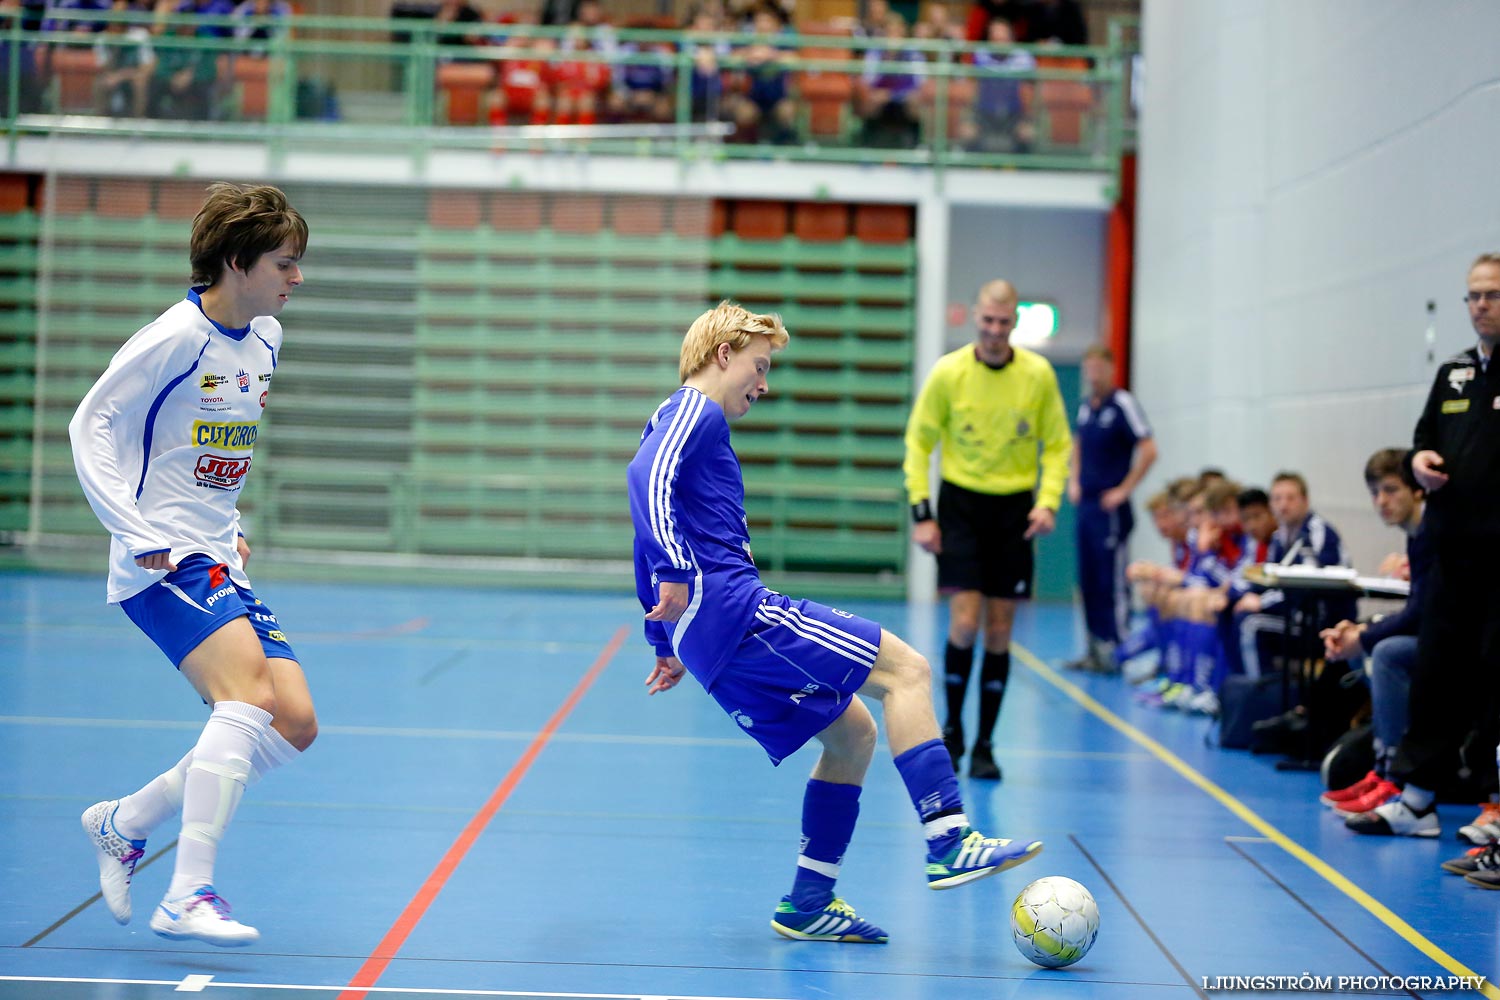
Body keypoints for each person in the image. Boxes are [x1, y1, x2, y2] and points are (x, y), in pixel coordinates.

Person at [628, 300, 1043, 943]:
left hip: (709, 638)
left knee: (853, 736)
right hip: (740, 615)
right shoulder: (694, 410)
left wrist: (663, 636)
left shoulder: (674, 419)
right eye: (759, 367)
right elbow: (644, 479)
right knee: (908, 670)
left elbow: (646, 526)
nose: (764, 384)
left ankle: (808, 901)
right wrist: (680, 573)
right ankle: (948, 840)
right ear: (722, 355)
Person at [69, 183, 314, 946]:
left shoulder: (265, 338)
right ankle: (187, 891)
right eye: (285, 262)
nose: (295, 277)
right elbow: (91, 424)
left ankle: (125, 821)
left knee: (293, 721)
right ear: (237, 263)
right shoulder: (174, 337)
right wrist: (133, 529)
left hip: (215, 550)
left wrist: (230, 523)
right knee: (243, 696)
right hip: (162, 554)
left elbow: (214, 449)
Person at [1347, 253, 1500, 841]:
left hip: (1498, 561)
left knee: (1492, 680)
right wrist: (1419, 461)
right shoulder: (1455, 373)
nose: (1480, 305)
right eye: (1473, 296)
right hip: (1449, 554)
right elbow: (1422, 439)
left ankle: (1493, 804)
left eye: (1491, 294)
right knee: (1436, 674)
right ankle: (1416, 802)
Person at [903, 279, 1071, 780]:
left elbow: (1059, 445)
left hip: (1013, 510)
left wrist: (1048, 502)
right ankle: (952, 731)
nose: (995, 332)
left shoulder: (1037, 375)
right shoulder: (950, 372)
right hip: (961, 507)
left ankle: (985, 744)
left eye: (1004, 323)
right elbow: (919, 441)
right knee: (964, 621)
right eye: (988, 322)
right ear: (976, 318)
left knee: (1000, 628)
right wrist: (922, 512)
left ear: (1013, 323)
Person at [1318, 448, 1428, 816]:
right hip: (1439, 631)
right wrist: (1364, 631)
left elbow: (1422, 614)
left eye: (1391, 490)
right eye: (1375, 493)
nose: (1382, 501)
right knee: (1373, 645)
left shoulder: (1433, 532)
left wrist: (1365, 635)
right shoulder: (1415, 535)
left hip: (1467, 642)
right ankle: (1382, 769)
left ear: (1418, 490)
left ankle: (1394, 777)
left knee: (1386, 652)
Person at [1063, 343, 1156, 673]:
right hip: (1086, 504)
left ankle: (1118, 649)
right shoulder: (1086, 407)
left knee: (1111, 579)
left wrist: (1124, 490)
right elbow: (1077, 444)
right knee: (1087, 579)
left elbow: (1148, 448)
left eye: (1099, 367)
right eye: (1089, 368)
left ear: (1111, 369)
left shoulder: (1123, 404)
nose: (1093, 374)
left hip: (1110, 509)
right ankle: (1093, 647)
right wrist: (1073, 479)